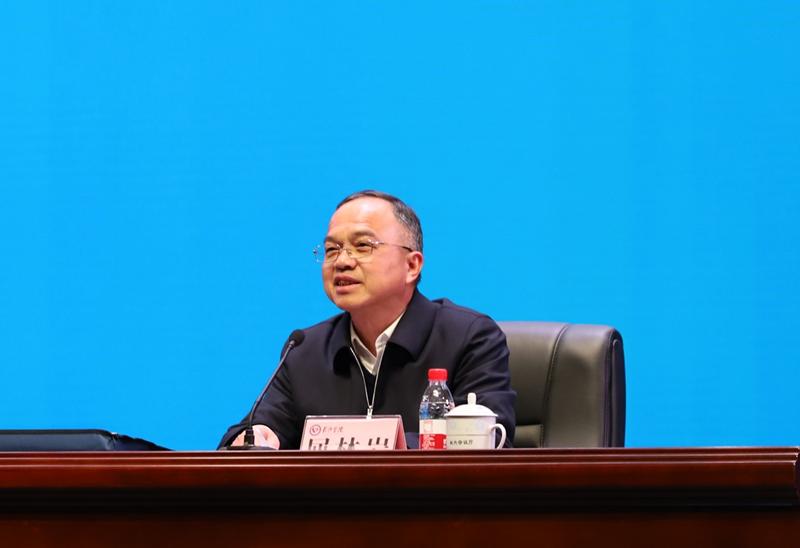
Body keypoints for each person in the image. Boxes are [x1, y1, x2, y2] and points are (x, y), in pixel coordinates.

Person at [219, 190, 516, 449]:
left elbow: (489, 442)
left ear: (412, 266)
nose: (342, 261)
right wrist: (260, 436)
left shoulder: (468, 337)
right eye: (331, 250)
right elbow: (252, 433)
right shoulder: (305, 350)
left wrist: (371, 445)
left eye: (362, 246)